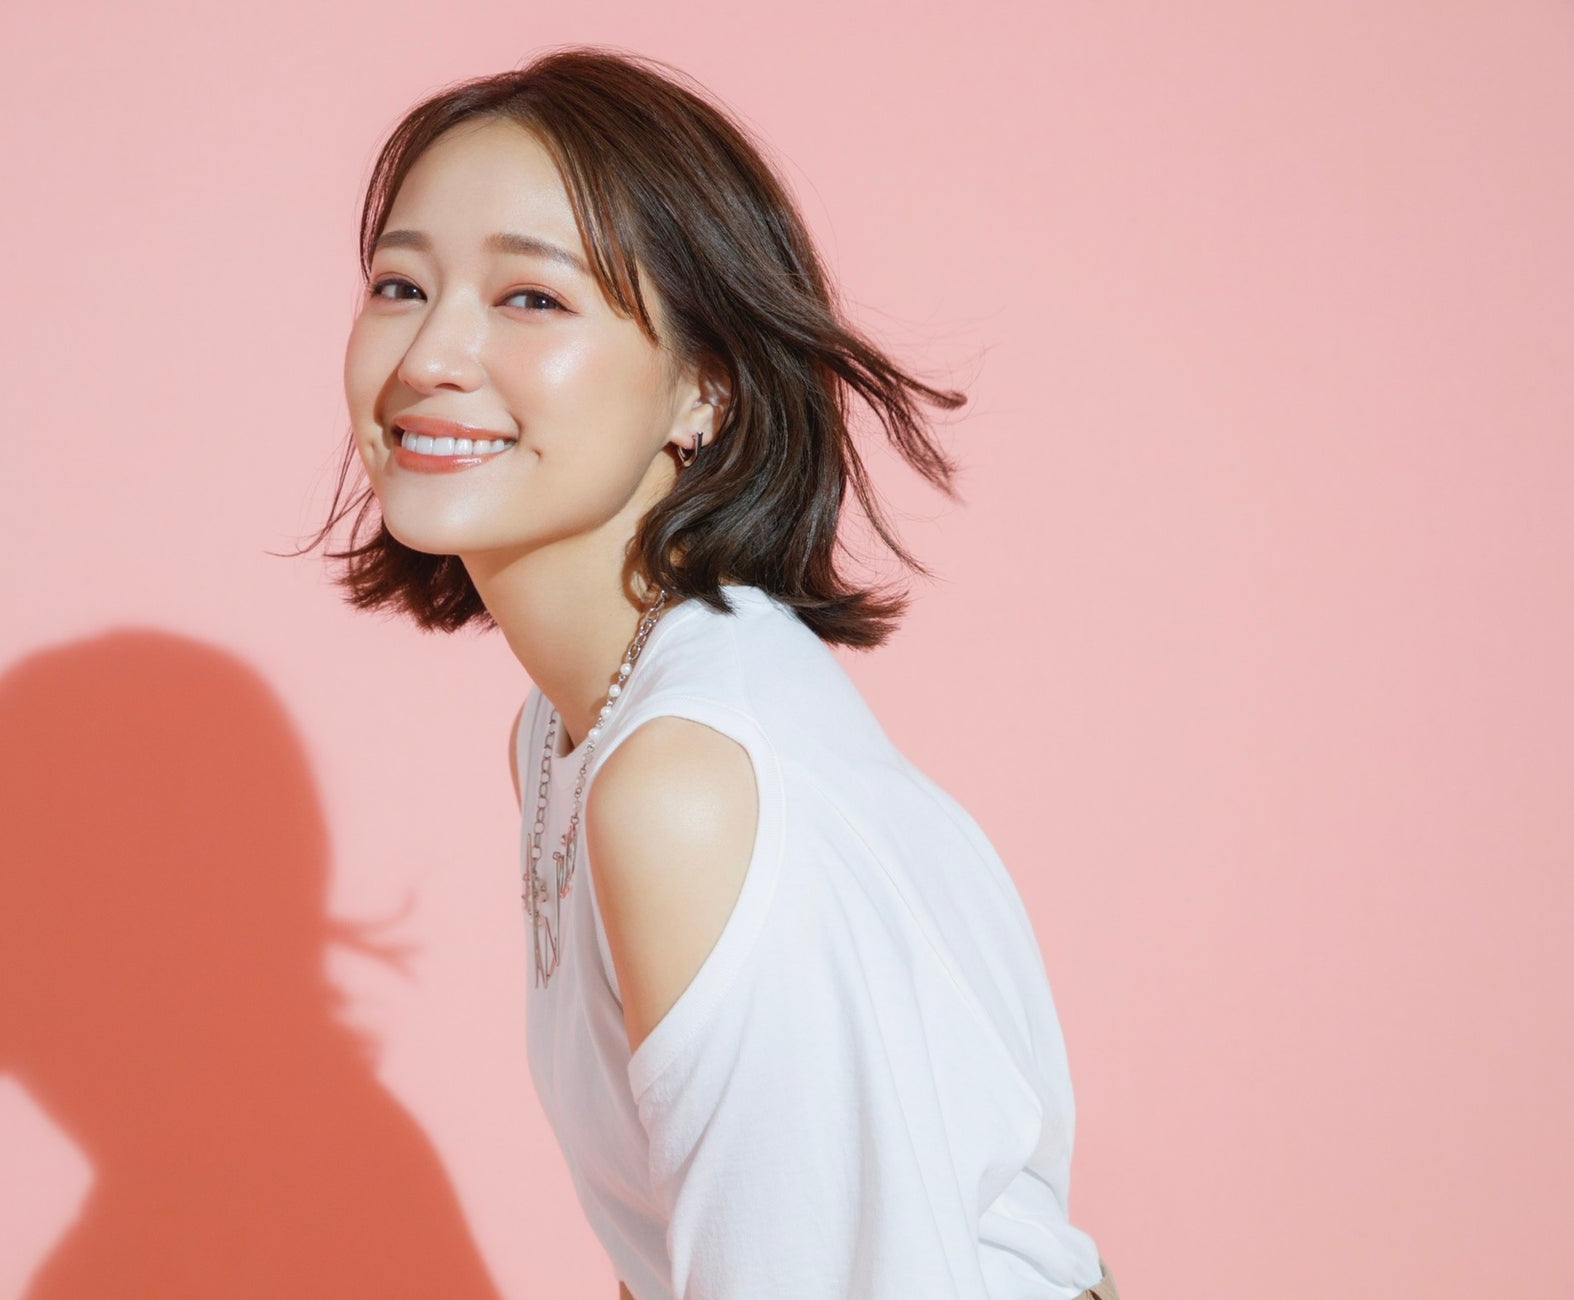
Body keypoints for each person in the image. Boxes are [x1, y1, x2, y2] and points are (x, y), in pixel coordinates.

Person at [303, 44, 1119, 1300]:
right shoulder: (566, 731)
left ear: (705, 387)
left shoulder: (683, 782)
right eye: (401, 285)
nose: (430, 354)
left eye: (532, 298)